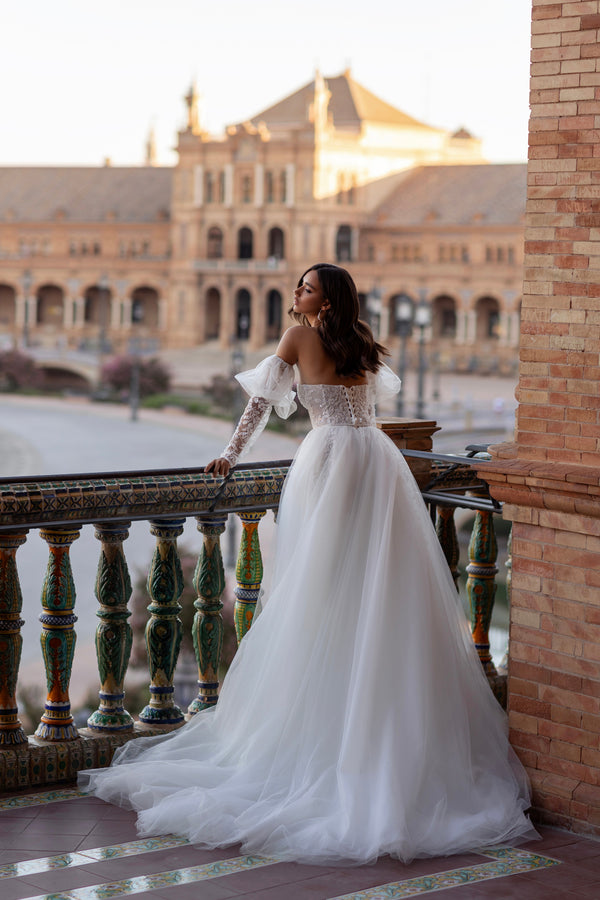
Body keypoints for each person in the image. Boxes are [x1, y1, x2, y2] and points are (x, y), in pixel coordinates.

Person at [79, 263, 537, 865]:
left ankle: (325, 723)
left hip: (327, 460)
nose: (298, 294)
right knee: (375, 583)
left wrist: (229, 454)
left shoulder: (298, 337)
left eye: (307, 287)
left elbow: (259, 406)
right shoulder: (363, 337)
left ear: (326, 298)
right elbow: (365, 401)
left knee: (319, 586)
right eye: (299, 286)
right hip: (376, 460)